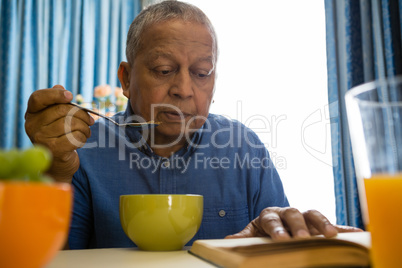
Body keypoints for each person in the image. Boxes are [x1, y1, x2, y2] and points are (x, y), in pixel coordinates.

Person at [24, 1, 359, 249]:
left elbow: (278, 246)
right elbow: (54, 258)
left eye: (201, 73)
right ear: (126, 79)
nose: (184, 89)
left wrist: (285, 233)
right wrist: (57, 173)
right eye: (163, 69)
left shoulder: (244, 147)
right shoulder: (81, 150)